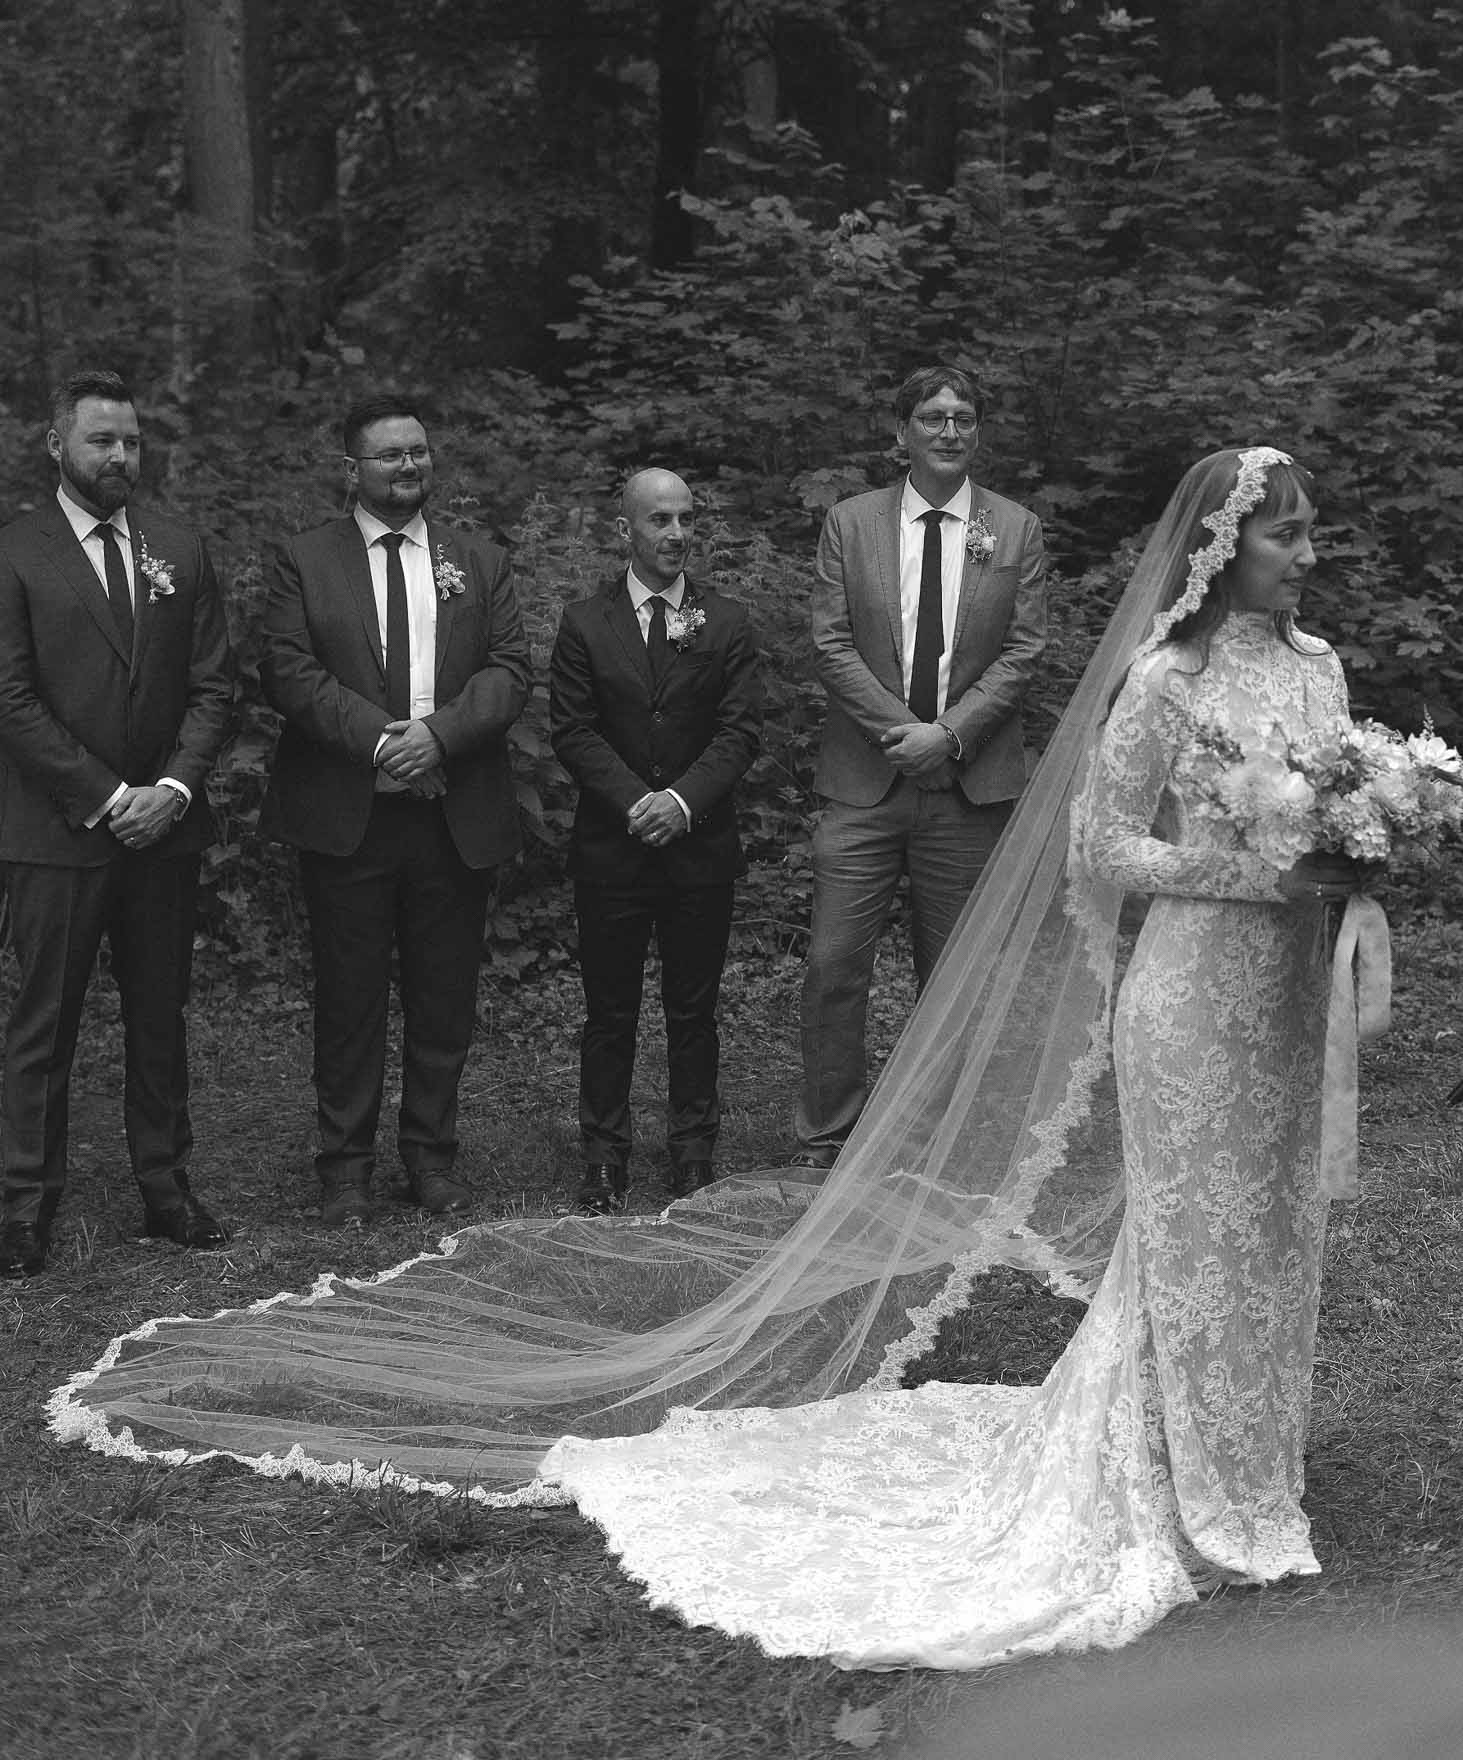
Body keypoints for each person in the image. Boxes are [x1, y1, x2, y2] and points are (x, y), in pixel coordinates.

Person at [60, 447, 1382, 1678]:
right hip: (1188, 1000)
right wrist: (1246, 873)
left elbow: (1338, 807)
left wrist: (1365, 852)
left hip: (1278, 1003)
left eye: (1312, 531)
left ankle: (1254, 1459)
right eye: (1285, 533)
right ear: (1220, 546)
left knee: (1270, 1237)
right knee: (1188, 1241)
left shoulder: (1316, 672)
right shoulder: (1163, 682)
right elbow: (1103, 849)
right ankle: (1171, 1467)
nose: (1306, 554)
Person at [258, 398, 531, 1227]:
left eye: (418, 452)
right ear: (351, 470)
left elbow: (511, 669)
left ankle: (430, 1157)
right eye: (389, 456)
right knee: (348, 998)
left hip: (450, 809)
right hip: (350, 814)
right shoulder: (304, 560)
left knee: (443, 996)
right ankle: (344, 1167)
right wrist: (383, 743)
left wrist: (439, 738)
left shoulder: (476, 561)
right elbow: (288, 671)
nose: (408, 467)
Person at [0, 370, 233, 1280]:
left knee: (158, 1016)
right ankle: (23, 1206)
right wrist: (104, 797)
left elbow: (214, 685)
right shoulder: (16, 550)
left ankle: (166, 1187)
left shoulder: (178, 544)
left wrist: (171, 788)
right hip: (55, 833)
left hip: (164, 830)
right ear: (58, 446)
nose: (120, 457)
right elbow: (11, 698)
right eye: (102, 441)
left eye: (131, 441)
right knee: (42, 1025)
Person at [794, 364, 1046, 1170]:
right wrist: (907, 734)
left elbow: (1025, 649)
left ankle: (942, 1136)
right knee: (834, 962)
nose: (948, 431)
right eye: (932, 416)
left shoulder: (1015, 529)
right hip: (865, 782)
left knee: (957, 975)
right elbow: (830, 642)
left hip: (968, 788)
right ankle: (829, 1129)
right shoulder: (851, 523)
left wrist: (952, 736)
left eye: (963, 417)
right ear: (901, 431)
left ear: (978, 432)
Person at [549, 469, 762, 1213]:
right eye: (659, 522)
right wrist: (637, 802)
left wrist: (680, 802)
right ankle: (603, 1155)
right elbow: (572, 729)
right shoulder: (584, 622)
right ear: (625, 531)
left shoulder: (726, 620)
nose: (675, 535)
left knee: (693, 1008)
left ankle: (692, 1152)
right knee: (608, 1012)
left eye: (685, 520)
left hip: (698, 847)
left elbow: (739, 732)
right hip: (613, 847)